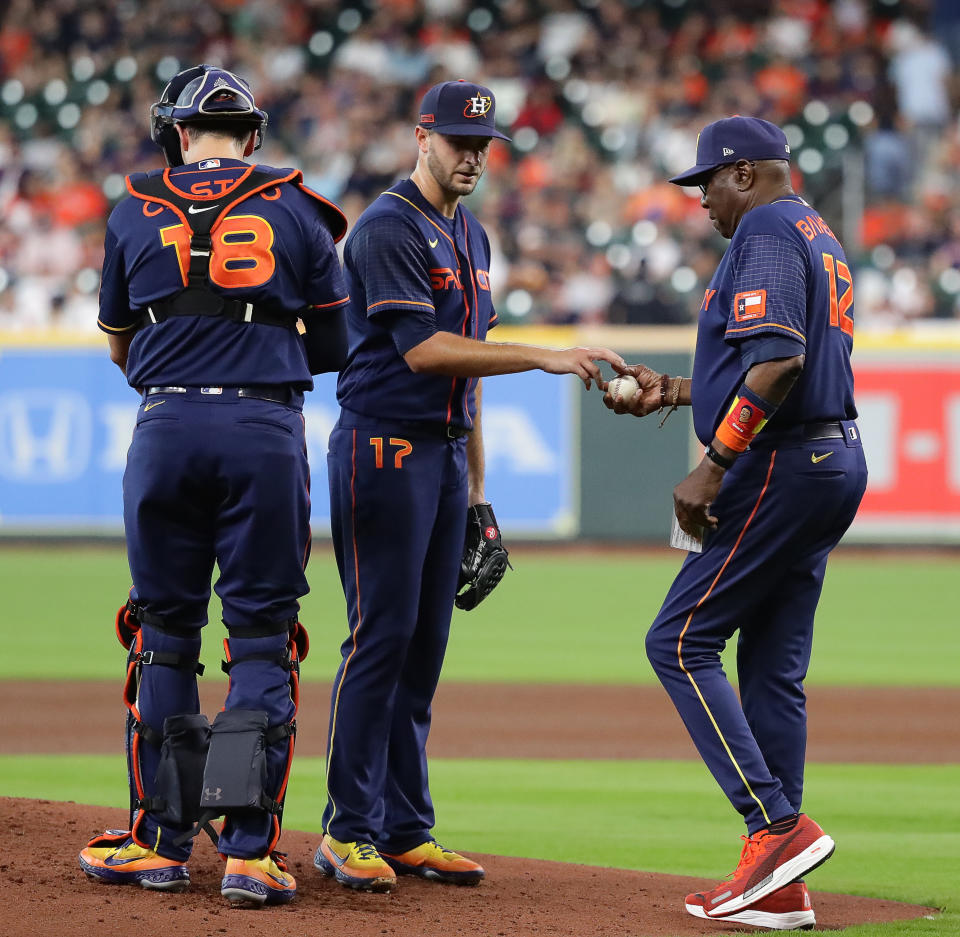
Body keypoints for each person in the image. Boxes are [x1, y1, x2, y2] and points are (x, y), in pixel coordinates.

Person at [314, 79, 625, 892]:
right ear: (422, 138)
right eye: (459, 142)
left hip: (444, 455)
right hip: (381, 449)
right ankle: (347, 828)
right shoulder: (388, 227)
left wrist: (478, 489)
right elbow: (425, 352)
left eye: (483, 146)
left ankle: (406, 827)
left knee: (424, 651)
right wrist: (548, 353)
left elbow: (467, 373)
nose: (473, 157)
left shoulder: (471, 232)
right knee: (378, 640)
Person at [77, 64, 350, 908]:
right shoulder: (301, 207)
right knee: (262, 639)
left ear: (177, 134)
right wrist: (251, 355)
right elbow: (336, 343)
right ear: (254, 136)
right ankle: (247, 852)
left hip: (165, 426)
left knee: (162, 634)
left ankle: (158, 844)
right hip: (264, 430)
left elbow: (120, 346)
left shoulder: (132, 209)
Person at [605, 117, 867, 930]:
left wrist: (713, 462)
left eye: (709, 182)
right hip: (833, 458)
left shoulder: (760, 228)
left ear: (746, 174)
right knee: (772, 672)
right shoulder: (812, 229)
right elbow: (779, 358)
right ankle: (780, 886)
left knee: (678, 640)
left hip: (782, 464)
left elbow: (781, 360)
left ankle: (775, 829)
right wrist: (678, 392)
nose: (704, 200)